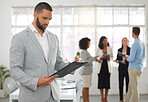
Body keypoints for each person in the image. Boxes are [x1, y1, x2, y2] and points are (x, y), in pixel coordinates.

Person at [10, 2, 78, 102]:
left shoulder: (53, 38)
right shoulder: (19, 38)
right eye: (44, 18)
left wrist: (72, 65)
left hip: (53, 96)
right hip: (31, 97)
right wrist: (36, 82)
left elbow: (58, 64)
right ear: (35, 14)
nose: (47, 22)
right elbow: (15, 70)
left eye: (49, 19)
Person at [124, 27, 145, 102]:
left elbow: (131, 59)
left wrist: (127, 58)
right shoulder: (142, 43)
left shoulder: (134, 44)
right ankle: (126, 100)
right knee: (131, 86)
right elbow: (143, 56)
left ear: (133, 33)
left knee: (134, 87)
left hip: (133, 68)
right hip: (139, 67)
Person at [79, 37, 98, 102]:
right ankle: (85, 100)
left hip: (88, 72)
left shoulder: (86, 51)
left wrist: (95, 59)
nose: (89, 44)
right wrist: (93, 58)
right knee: (85, 87)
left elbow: (89, 59)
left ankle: (87, 100)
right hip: (85, 72)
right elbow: (85, 62)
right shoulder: (83, 52)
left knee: (87, 87)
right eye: (89, 43)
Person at [96, 36, 113, 102]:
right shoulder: (98, 49)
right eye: (104, 40)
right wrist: (100, 58)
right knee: (101, 83)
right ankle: (102, 97)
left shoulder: (109, 48)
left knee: (107, 83)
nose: (105, 42)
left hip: (107, 66)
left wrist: (109, 58)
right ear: (101, 41)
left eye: (106, 40)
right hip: (101, 67)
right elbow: (96, 57)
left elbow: (112, 57)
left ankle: (106, 97)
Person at [114, 37, 130, 102]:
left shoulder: (130, 50)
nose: (125, 42)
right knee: (121, 83)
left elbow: (132, 59)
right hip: (121, 68)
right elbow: (118, 58)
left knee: (127, 83)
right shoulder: (119, 50)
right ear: (122, 42)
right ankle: (121, 99)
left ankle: (127, 98)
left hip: (128, 68)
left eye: (126, 40)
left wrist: (126, 61)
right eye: (124, 41)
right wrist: (117, 60)